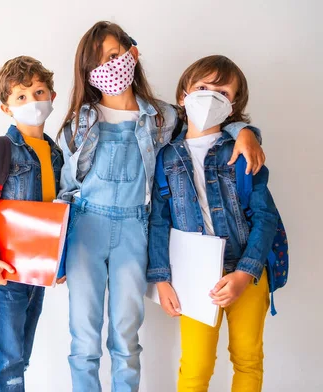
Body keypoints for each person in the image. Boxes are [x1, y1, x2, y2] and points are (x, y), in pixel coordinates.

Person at [57, 21, 265, 392]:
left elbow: (210, 126)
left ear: (132, 54)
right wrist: (55, 253)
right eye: (99, 62)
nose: (110, 67)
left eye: (116, 56)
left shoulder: (162, 118)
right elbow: (67, 189)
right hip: (85, 229)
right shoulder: (79, 122)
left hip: (136, 227)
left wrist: (246, 132)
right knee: (84, 340)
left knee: (126, 337)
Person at [148, 55, 278, 392]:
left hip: (247, 273)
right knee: (195, 365)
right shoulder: (165, 155)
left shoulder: (243, 150)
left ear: (233, 105)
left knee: (248, 358)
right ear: (183, 95)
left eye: (221, 91)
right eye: (202, 88)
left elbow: (265, 216)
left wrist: (245, 272)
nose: (209, 96)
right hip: (194, 277)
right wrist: (160, 279)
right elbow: (158, 223)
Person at [0, 55, 64, 392]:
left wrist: (58, 262)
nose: (32, 101)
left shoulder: (56, 154)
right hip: (4, 272)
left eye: (38, 92)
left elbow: (57, 213)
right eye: (21, 96)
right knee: (5, 362)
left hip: (38, 273)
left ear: (52, 96)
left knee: (21, 356)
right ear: (6, 108)